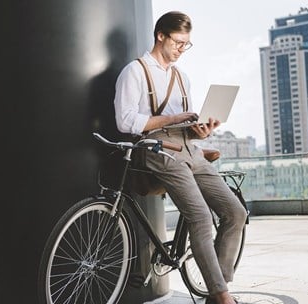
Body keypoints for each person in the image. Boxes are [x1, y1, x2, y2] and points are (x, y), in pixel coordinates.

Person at [113, 11, 247, 304]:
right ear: (160, 35)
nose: (181, 49)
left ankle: (218, 284)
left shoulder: (181, 77)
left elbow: (187, 126)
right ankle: (222, 296)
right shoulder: (135, 72)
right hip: (156, 149)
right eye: (177, 42)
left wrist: (202, 130)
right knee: (199, 215)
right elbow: (124, 121)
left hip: (189, 147)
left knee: (235, 212)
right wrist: (170, 118)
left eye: (187, 44)